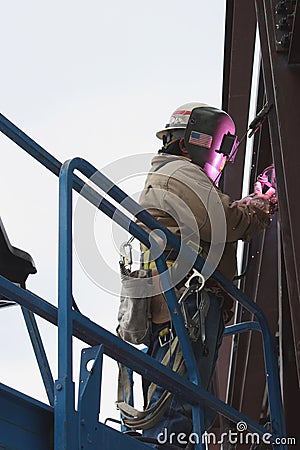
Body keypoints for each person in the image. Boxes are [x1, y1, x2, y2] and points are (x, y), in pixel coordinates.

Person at [135, 102, 276, 449]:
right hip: (186, 303)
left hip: (180, 304)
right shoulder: (179, 172)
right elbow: (223, 220)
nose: (222, 155)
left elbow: (212, 217)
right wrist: (259, 207)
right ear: (189, 143)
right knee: (179, 401)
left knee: (187, 401)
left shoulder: (174, 176)